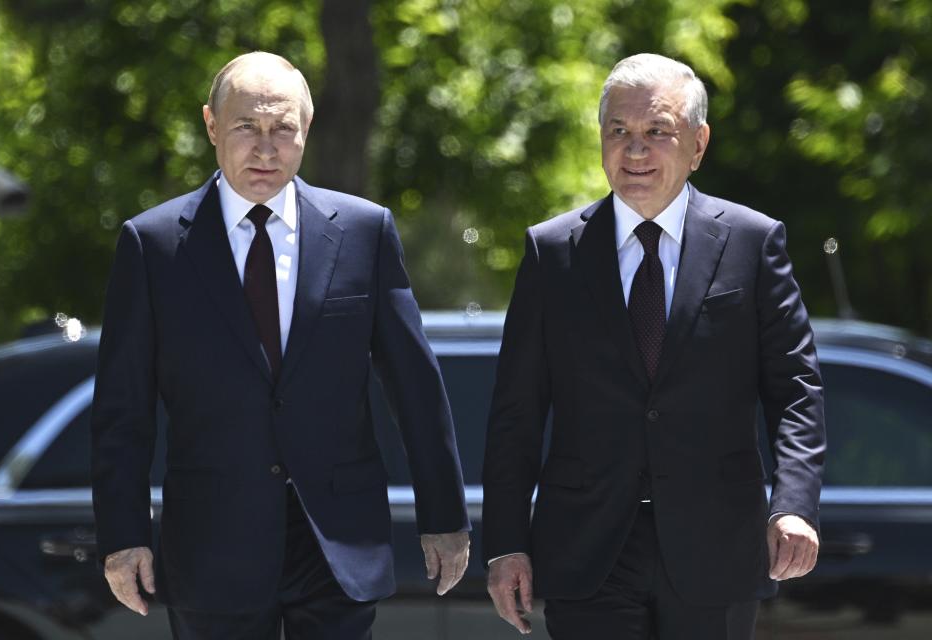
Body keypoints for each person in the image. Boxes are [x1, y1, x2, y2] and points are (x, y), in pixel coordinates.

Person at [90, 51, 470, 640]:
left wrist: (444, 516)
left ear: (306, 129)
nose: (265, 148)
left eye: (282, 128)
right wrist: (123, 535)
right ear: (212, 126)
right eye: (246, 127)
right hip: (213, 541)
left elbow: (415, 386)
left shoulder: (365, 232)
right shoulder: (153, 245)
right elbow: (123, 409)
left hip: (337, 538)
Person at [482, 53, 826, 639]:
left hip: (714, 548)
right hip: (587, 551)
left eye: (657, 132)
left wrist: (792, 503)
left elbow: (795, 390)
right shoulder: (552, 252)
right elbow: (516, 413)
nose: (635, 151)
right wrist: (506, 544)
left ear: (698, 144)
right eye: (619, 131)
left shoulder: (752, 242)